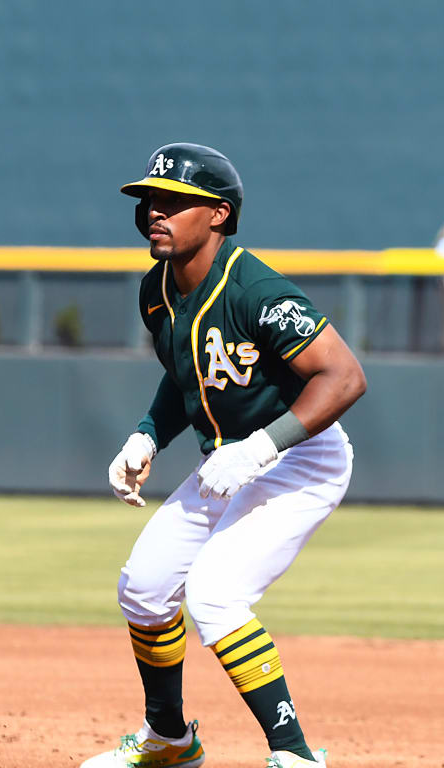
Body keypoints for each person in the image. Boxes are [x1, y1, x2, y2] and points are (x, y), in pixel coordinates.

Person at [87, 143, 366, 768]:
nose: (156, 212)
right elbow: (186, 375)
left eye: (175, 202)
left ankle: (294, 756)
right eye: (150, 201)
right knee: (146, 588)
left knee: (214, 593)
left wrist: (263, 446)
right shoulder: (156, 291)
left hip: (303, 457)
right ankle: (170, 740)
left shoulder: (256, 289)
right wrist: (145, 435)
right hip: (228, 459)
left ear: (217, 214)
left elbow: (344, 378)